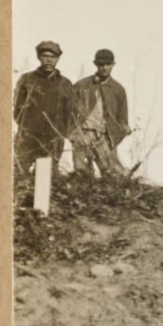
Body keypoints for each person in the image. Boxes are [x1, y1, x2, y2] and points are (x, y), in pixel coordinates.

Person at [13, 40, 74, 205]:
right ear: (39, 57)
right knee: (19, 173)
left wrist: (60, 133)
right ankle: (16, 210)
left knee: (45, 180)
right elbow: (17, 109)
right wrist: (27, 128)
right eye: (45, 56)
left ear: (58, 59)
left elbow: (70, 114)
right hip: (28, 136)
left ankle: (41, 215)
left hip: (52, 139)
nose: (49, 60)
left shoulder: (65, 84)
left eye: (53, 57)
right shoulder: (27, 80)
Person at [69, 48, 131, 179]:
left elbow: (122, 118)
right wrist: (73, 133)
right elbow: (69, 111)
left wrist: (115, 137)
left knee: (112, 174)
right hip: (83, 133)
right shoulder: (82, 85)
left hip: (104, 136)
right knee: (82, 173)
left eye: (108, 64)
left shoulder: (118, 89)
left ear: (113, 64)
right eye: (101, 64)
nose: (104, 68)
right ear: (95, 64)